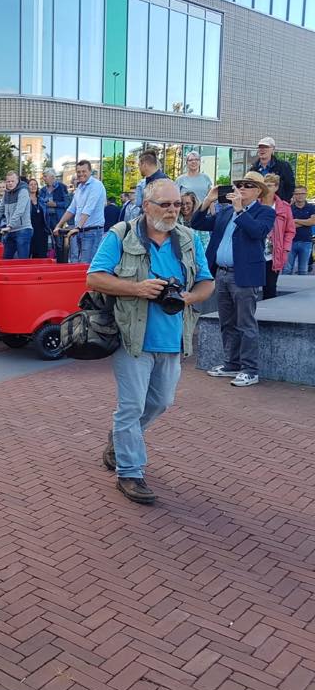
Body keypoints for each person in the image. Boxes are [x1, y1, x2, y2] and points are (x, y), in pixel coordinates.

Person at [88, 179, 214, 504]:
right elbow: (94, 277)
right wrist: (138, 289)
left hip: (172, 340)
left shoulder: (187, 239)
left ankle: (120, 440)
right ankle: (130, 472)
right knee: (131, 406)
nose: (173, 211)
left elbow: (206, 283)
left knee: (159, 402)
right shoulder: (121, 234)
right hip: (132, 337)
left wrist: (187, 298)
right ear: (147, 206)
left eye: (177, 205)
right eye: (165, 205)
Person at [191, 172, 276, 388]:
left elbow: (257, 232)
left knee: (245, 323)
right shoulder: (226, 211)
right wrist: (209, 199)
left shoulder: (264, 212)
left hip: (244, 276)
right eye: (239, 185)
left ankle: (250, 370)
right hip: (222, 273)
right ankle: (231, 363)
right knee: (226, 322)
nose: (241, 188)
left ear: (258, 191)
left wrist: (240, 210)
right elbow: (197, 223)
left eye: (248, 185)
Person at [53, 160, 108, 264]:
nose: (81, 174)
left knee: (86, 266)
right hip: (80, 232)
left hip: (92, 232)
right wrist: (58, 225)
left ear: (90, 171)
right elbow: (71, 209)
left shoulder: (96, 185)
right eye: (79, 172)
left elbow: (89, 208)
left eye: (84, 171)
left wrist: (78, 227)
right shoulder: (80, 188)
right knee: (75, 263)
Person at [260, 173, 295, 300]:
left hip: (274, 253)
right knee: (250, 288)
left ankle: (268, 318)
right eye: (264, 185)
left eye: (269, 185)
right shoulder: (256, 204)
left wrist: (285, 250)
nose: (266, 188)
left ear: (276, 187)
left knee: (270, 288)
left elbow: (290, 231)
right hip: (256, 251)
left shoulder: (284, 207)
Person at [0, 171, 32, 259]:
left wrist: (10, 226)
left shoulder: (23, 191)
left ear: (17, 180)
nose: (10, 183)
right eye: (8, 181)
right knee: (6, 258)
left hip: (23, 229)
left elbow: (20, 210)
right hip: (10, 230)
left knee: (22, 260)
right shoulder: (7, 193)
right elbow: (0, 210)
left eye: (12, 181)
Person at [252, 137, 295, 202]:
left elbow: (290, 186)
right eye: (260, 147)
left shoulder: (283, 167)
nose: (262, 150)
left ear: (273, 149)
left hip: (277, 205)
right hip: (258, 205)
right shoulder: (253, 169)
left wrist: (283, 201)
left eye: (265, 147)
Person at [38, 169, 70, 252]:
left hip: (58, 218)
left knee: (60, 242)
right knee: (49, 243)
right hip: (46, 219)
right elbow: (40, 203)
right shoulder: (42, 190)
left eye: (45, 176)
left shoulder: (62, 187)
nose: (44, 179)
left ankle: (61, 259)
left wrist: (55, 204)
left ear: (52, 177)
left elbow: (67, 203)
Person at [286, 186, 315, 275]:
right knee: (287, 269)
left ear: (306, 194)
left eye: (302, 193)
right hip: (290, 241)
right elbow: (287, 225)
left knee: (303, 270)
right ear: (294, 195)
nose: (300, 196)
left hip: (306, 242)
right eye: (297, 194)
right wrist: (306, 222)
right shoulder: (288, 208)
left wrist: (295, 220)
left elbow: (313, 222)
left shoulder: (312, 207)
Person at [28, 178, 50, 259]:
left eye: (35, 184)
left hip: (41, 232)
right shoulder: (25, 201)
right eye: (31, 184)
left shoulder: (42, 201)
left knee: (41, 256)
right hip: (29, 231)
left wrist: (47, 229)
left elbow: (47, 216)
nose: (33, 186)